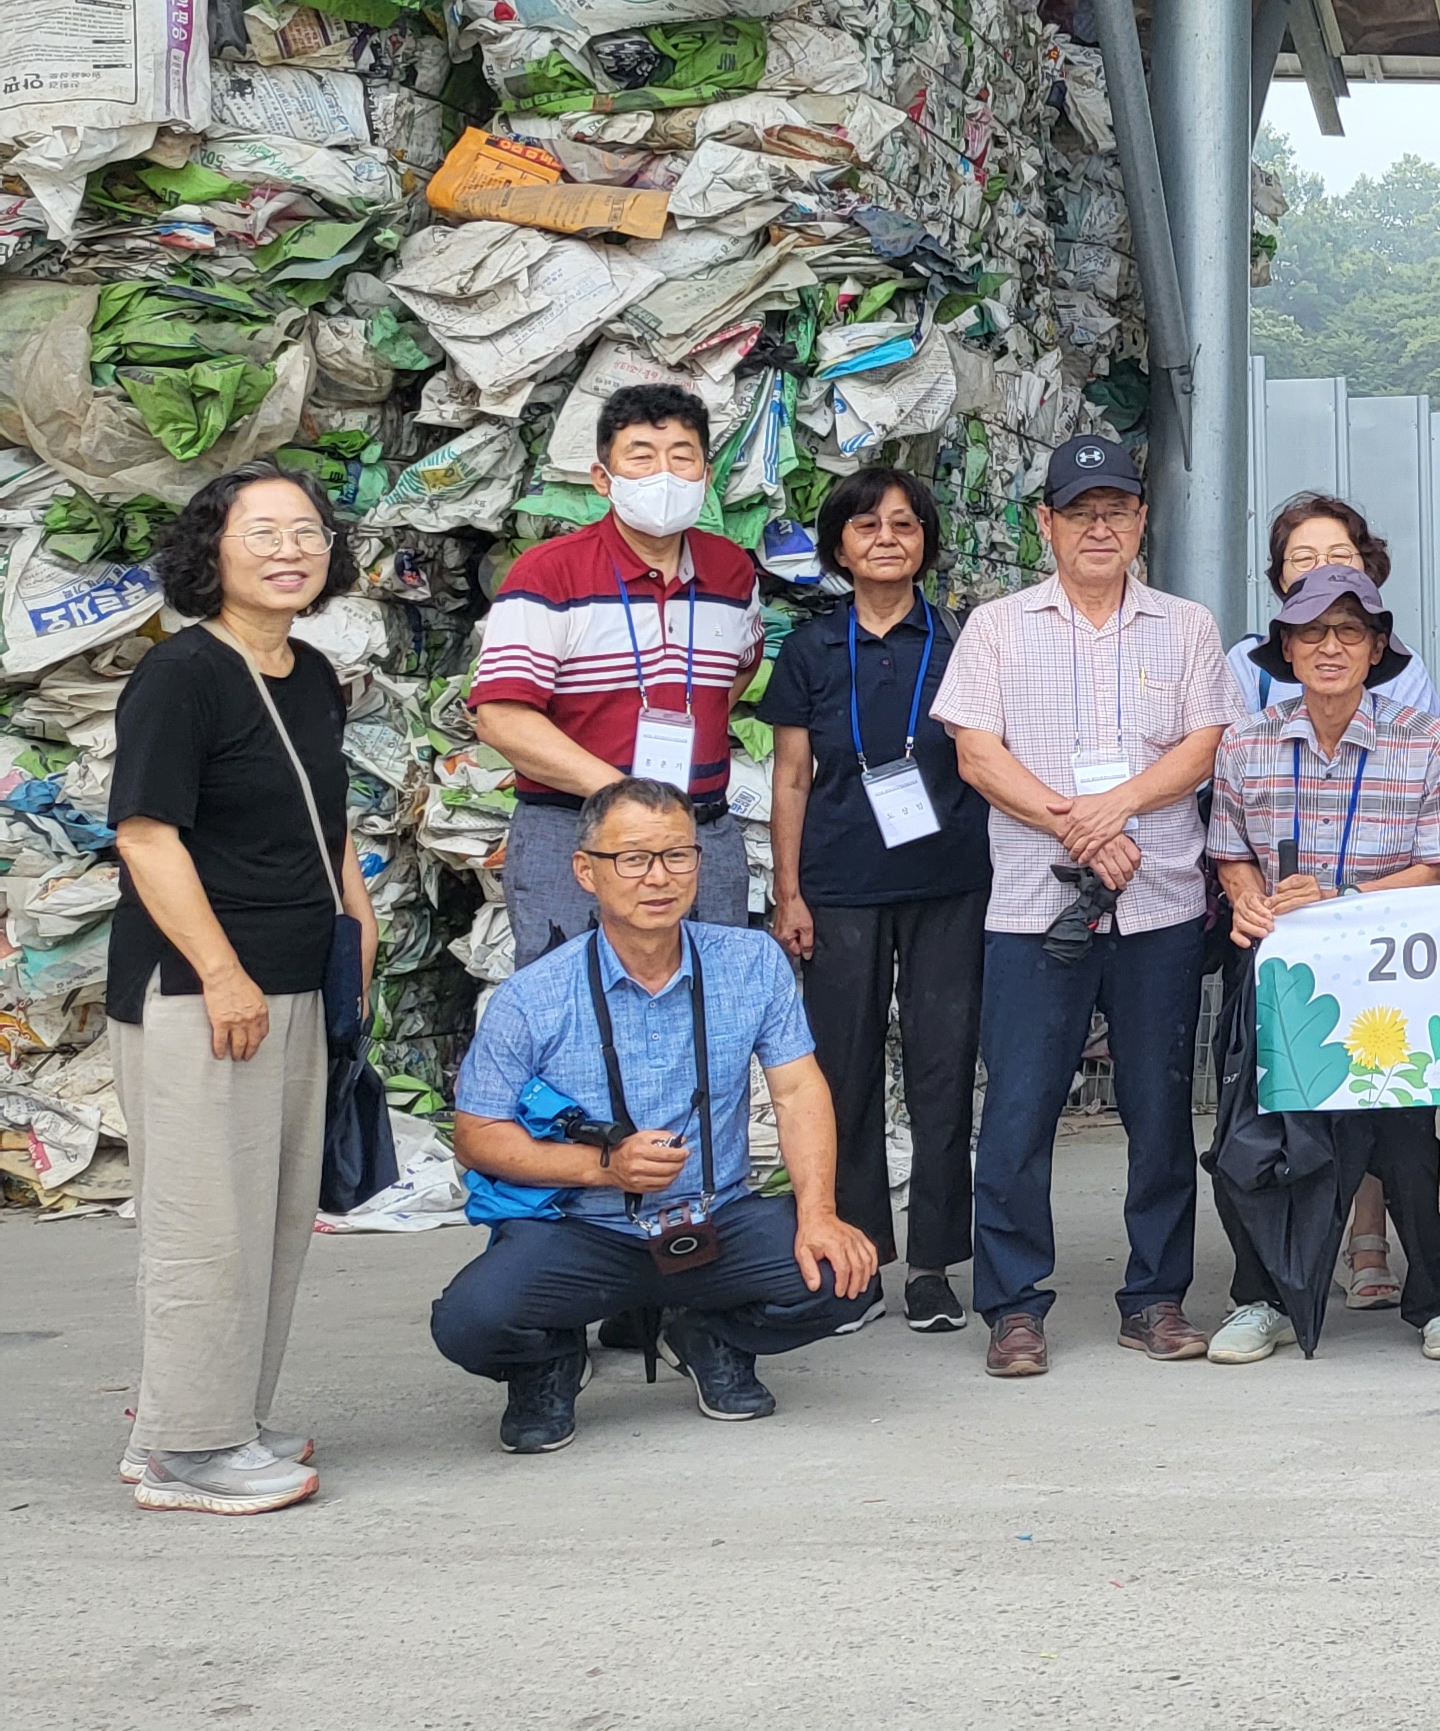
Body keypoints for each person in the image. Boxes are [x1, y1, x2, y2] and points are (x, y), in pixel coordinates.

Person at [431, 780, 881, 1452]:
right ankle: (547, 1360)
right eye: (634, 859)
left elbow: (798, 1091)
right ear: (587, 871)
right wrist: (602, 1167)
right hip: (581, 1229)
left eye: (677, 856)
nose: (659, 877)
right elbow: (477, 1137)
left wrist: (818, 1211)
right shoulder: (532, 997)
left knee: (845, 1277)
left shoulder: (752, 961)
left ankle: (707, 1335)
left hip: (713, 1217)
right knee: (469, 1321)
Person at [105, 463, 378, 1514]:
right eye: (260, 530)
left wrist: (356, 924)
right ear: (210, 549)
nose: (289, 549)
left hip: (298, 977)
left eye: (306, 530)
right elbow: (146, 833)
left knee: (264, 1216)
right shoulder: (182, 675)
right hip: (201, 989)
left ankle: (216, 1415)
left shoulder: (308, 670)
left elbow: (329, 817)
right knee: (203, 1219)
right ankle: (187, 1451)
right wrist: (221, 972)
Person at [932, 433, 1234, 1378]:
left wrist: (1117, 808)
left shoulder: (1185, 626)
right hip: (1032, 907)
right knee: (1019, 1109)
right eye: (1079, 512)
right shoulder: (996, 626)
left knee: (1158, 1108)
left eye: (1117, 511)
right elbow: (976, 754)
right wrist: (1080, 825)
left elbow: (1203, 745)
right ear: (1045, 524)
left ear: (1141, 522)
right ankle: (1014, 1307)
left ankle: (1155, 1298)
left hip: (1160, 907)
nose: (1099, 528)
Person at [1205, 566, 1440, 1362]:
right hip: (1281, 978)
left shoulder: (1429, 742)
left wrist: (1336, 898)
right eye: (1312, 633)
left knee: (1405, 1143)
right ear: (1285, 649)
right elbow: (1230, 855)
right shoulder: (1244, 743)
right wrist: (1250, 901)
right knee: (1258, 1139)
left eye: (1350, 632)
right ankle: (1262, 1298)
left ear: (1377, 648)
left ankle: (1437, 1299)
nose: (1330, 647)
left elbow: (1438, 867)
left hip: (1391, 973)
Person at [760, 465, 991, 1339]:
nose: (886, 538)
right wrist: (789, 894)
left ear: (926, 540)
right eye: (866, 526)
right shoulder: (810, 649)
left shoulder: (965, 639)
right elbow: (790, 777)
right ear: (839, 547)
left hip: (951, 886)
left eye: (903, 523)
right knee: (842, 1076)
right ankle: (853, 1262)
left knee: (942, 1072)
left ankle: (932, 1266)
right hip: (840, 888)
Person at [468, 383, 761, 962]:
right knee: (575, 1012)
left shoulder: (731, 572)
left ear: (706, 475)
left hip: (700, 835)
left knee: (708, 1010)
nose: (665, 474)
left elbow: (737, 675)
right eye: (642, 457)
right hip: (577, 832)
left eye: (683, 457)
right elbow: (500, 718)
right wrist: (624, 794)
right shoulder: (549, 574)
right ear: (604, 479)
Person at [1240, 491, 1438, 716]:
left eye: (1340, 557)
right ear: (1282, 580)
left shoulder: (1405, 671)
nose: (1323, 569)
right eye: (1304, 558)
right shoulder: (1247, 662)